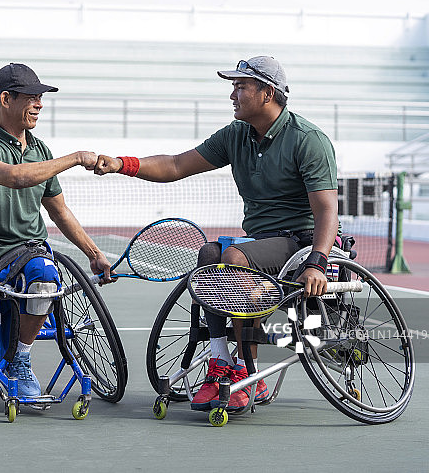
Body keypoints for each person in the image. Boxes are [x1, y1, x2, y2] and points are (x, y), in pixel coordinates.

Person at [94, 56, 339, 413]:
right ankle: (222, 362)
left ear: (267, 93)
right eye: (233, 87)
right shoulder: (235, 135)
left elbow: (327, 210)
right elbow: (176, 165)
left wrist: (318, 261)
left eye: (240, 87)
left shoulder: (308, 140)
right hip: (263, 242)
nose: (233, 95)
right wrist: (123, 164)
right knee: (210, 255)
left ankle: (247, 372)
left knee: (235, 258)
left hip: (301, 241)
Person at [0, 63, 113, 398]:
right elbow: (15, 177)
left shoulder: (41, 151)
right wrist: (74, 158)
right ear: (5, 99)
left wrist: (94, 253)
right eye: (31, 97)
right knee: (21, 281)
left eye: (41, 97)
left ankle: (20, 360)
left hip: (29, 248)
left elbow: (59, 210)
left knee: (44, 276)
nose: (40, 104)